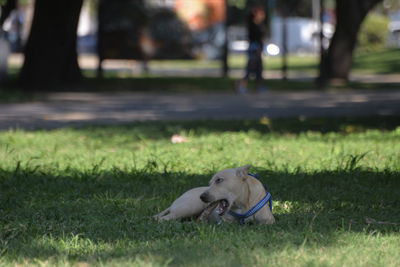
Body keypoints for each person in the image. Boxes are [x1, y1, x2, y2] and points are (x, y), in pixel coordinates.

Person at [238, 6, 267, 94]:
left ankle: (259, 86)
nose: (263, 16)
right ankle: (242, 86)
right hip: (254, 47)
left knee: (259, 68)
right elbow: (254, 38)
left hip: (258, 47)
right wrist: (257, 48)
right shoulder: (252, 25)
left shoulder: (260, 25)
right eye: (261, 14)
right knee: (250, 68)